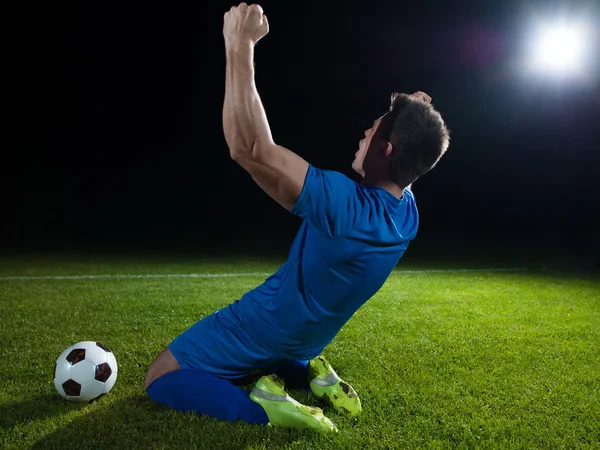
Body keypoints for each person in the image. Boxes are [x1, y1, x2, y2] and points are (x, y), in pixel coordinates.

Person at [145, 2, 450, 432]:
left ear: (386, 150)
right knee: (291, 344)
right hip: (306, 339)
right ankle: (311, 373)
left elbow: (248, 148)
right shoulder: (406, 215)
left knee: (161, 376)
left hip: (265, 327)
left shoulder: (346, 207)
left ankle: (264, 408)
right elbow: (413, 157)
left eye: (375, 129)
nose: (366, 131)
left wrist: (239, 43)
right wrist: (413, 114)